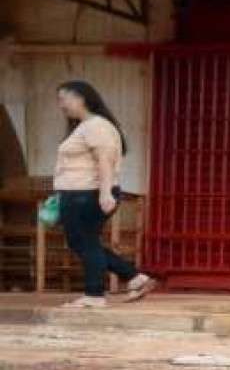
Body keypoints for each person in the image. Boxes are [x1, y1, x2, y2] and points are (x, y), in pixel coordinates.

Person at [51, 80, 155, 309]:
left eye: (63, 98)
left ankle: (94, 294)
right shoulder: (86, 125)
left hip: (87, 194)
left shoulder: (96, 125)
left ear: (81, 98)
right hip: (80, 193)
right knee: (84, 242)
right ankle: (136, 278)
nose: (61, 105)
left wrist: (105, 193)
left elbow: (104, 160)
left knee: (85, 242)